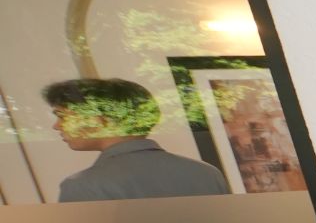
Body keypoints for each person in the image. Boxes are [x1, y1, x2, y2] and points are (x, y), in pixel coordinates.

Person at [45, 76, 229, 201]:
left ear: (99, 119)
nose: (57, 126)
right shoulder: (206, 173)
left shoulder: (84, 186)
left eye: (62, 116)